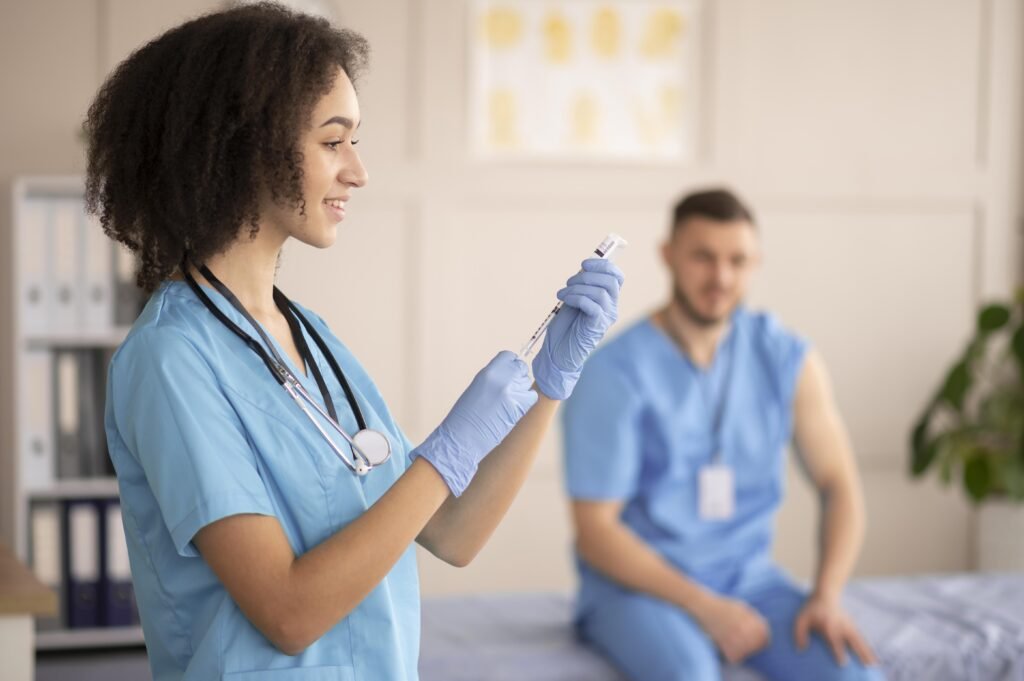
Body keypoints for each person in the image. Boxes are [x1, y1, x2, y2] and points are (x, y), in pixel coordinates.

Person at [86, 4, 623, 679]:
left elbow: (450, 533)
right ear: (244, 146)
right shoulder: (170, 360)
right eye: (333, 141)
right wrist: (446, 452)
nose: (359, 172)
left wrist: (549, 382)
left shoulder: (311, 336)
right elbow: (286, 611)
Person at [561, 188, 882, 681]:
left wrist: (826, 596)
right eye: (703, 257)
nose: (721, 277)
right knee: (690, 673)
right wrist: (704, 607)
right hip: (640, 590)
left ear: (756, 263)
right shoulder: (614, 373)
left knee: (852, 673)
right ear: (668, 256)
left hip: (750, 583)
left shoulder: (785, 358)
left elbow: (839, 483)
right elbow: (596, 534)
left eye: (738, 260)